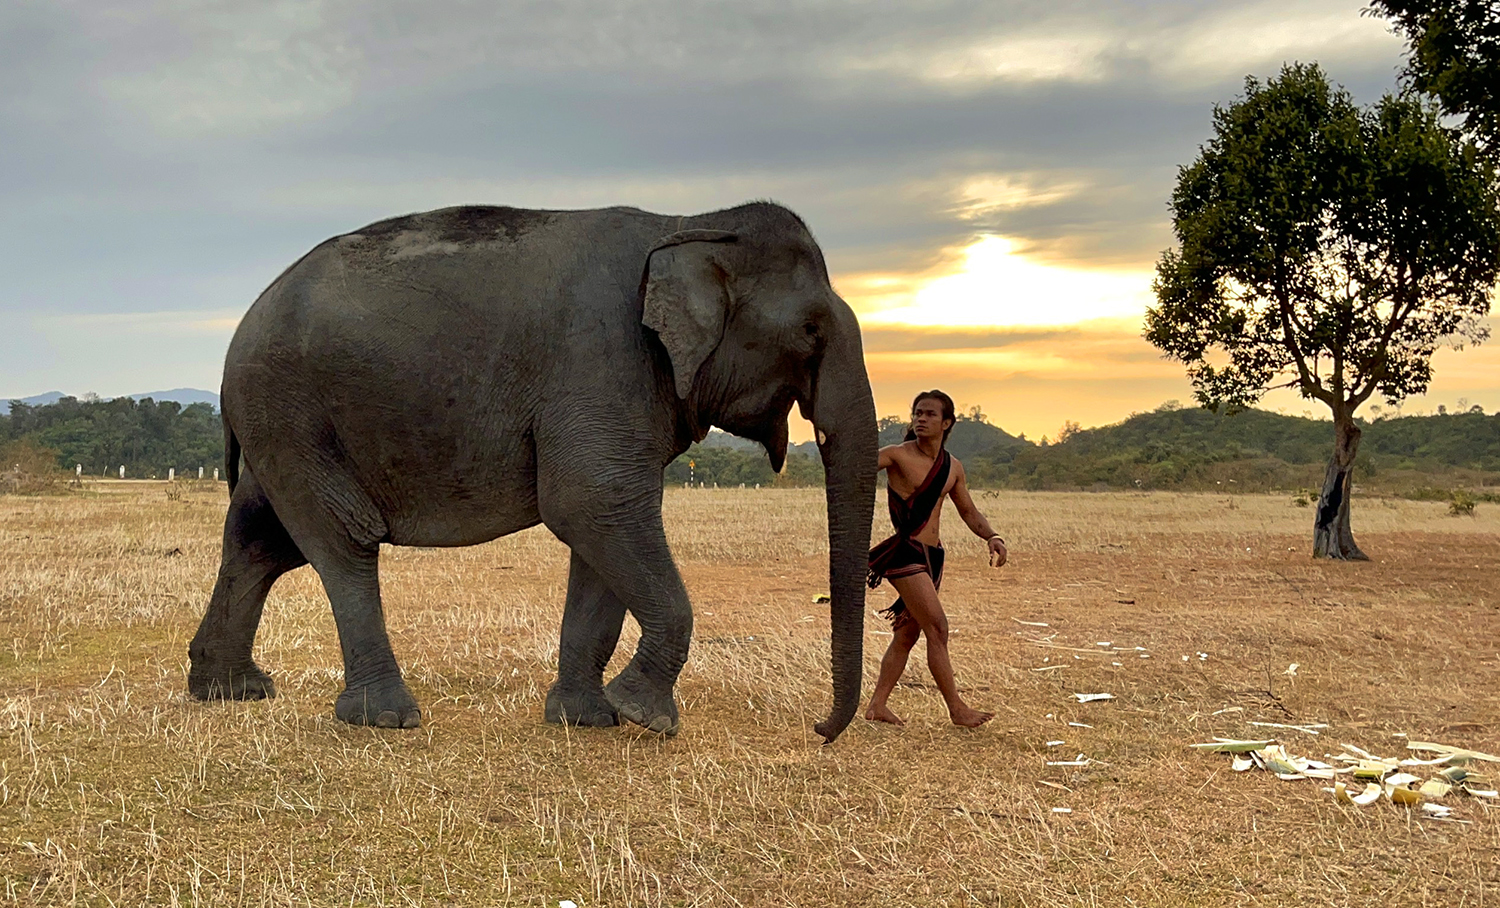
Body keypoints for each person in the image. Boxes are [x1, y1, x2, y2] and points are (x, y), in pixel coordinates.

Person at [866, 390, 1006, 727]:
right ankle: (957, 709)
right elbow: (857, 465)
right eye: (917, 413)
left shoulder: (952, 467)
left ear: (947, 423)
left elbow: (968, 511)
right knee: (938, 627)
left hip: (934, 557)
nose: (921, 419)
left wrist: (992, 536)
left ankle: (877, 706)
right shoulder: (896, 455)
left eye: (929, 414)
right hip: (905, 552)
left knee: (906, 635)